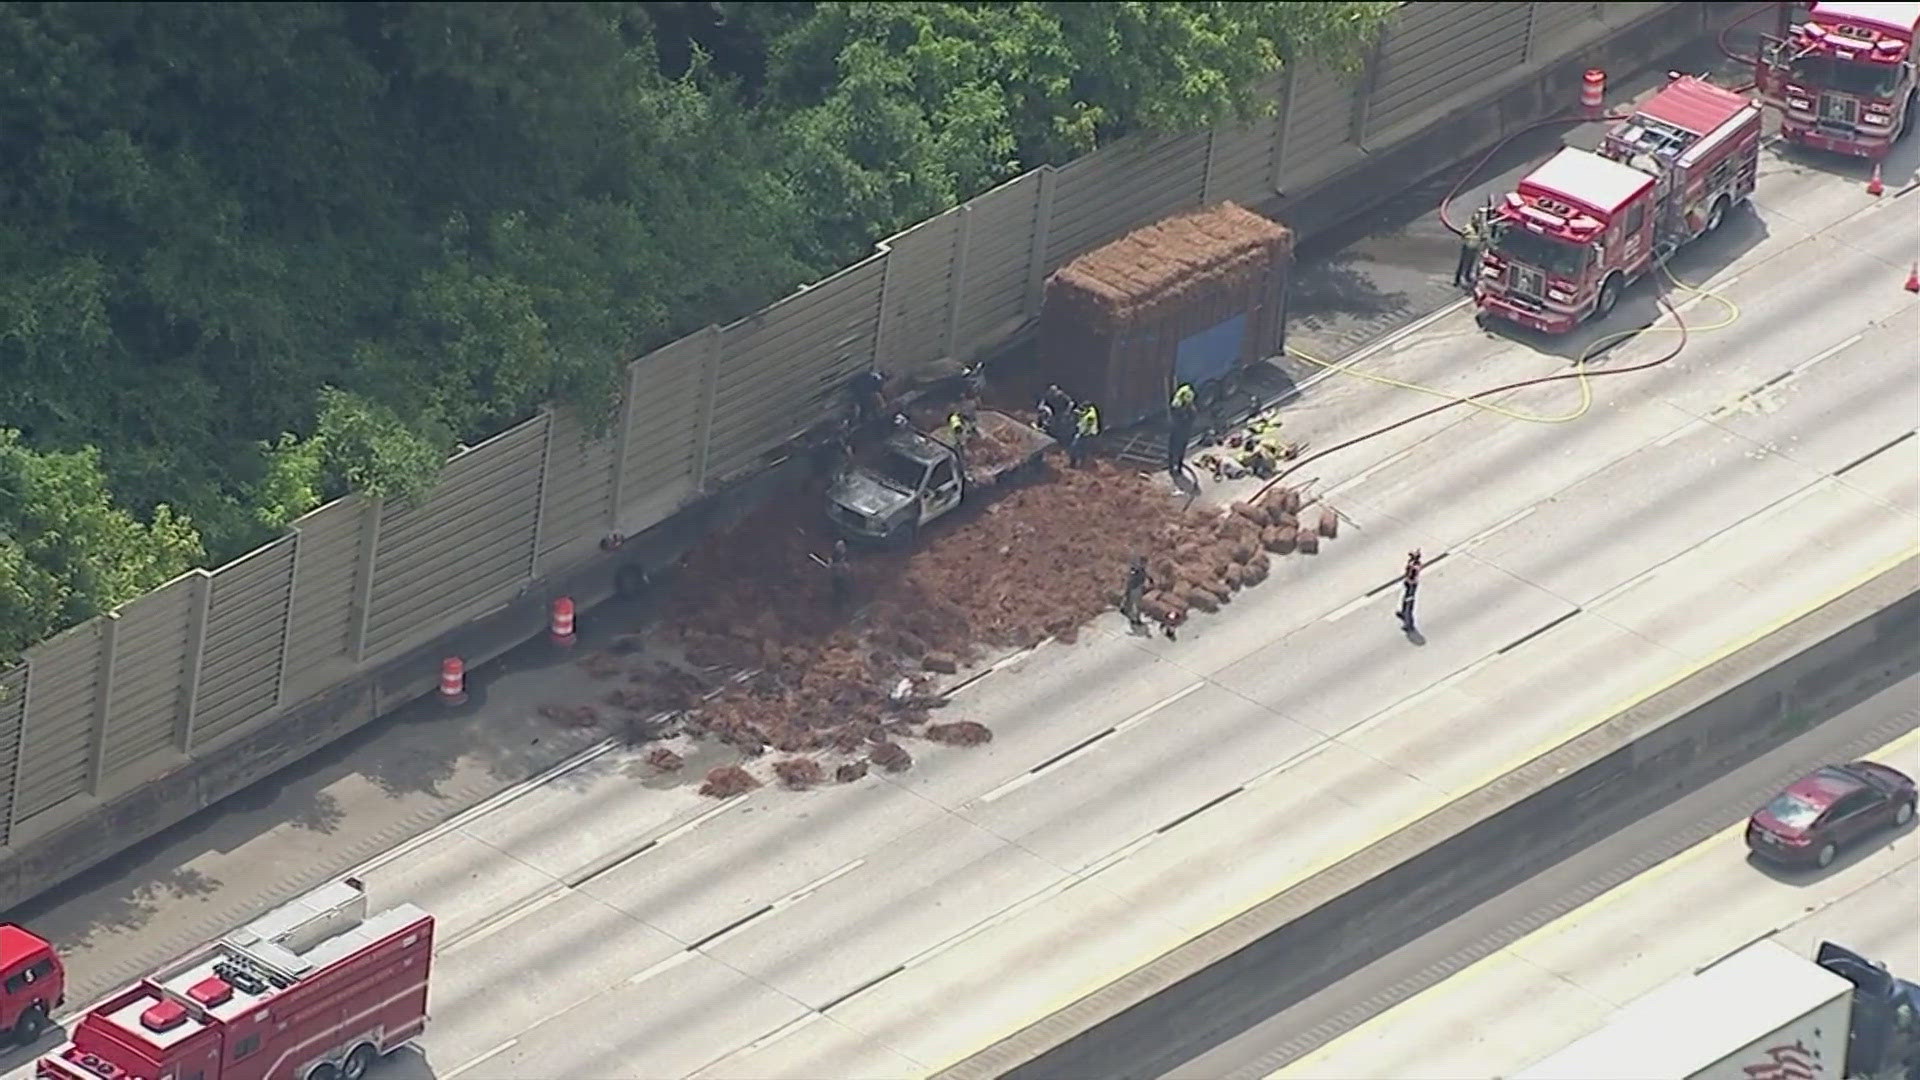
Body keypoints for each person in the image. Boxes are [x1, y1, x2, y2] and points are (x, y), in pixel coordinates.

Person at [1454, 202, 1492, 289]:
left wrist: (1484, 237)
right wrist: (1477, 236)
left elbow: (1486, 236)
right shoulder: (1468, 228)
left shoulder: (1483, 227)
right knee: (1465, 264)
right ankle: (1461, 280)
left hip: (1477, 248)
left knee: (1475, 264)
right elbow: (1465, 235)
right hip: (1468, 248)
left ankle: (1472, 278)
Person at [1167, 383, 1197, 477]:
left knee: (1172, 451)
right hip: (1183, 436)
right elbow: (1192, 415)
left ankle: (1171, 468)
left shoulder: (1176, 416)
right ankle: (1178, 468)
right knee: (1180, 452)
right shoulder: (1188, 416)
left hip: (1175, 435)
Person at [1121, 556, 1150, 631]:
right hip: (1134, 588)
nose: (1145, 565)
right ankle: (1133, 617)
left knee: (1135, 603)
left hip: (1138, 588)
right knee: (1134, 603)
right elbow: (1131, 577)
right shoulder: (1136, 570)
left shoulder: (1142, 570)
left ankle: (1133, 616)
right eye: (1144, 563)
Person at [1398, 549, 1423, 631]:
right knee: (1405, 601)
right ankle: (1403, 613)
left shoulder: (1415, 566)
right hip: (1410, 584)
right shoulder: (1414, 563)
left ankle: (1409, 625)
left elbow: (1411, 576)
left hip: (1411, 585)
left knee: (1409, 605)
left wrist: (1407, 581)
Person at [1070, 401, 1100, 466]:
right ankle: (1079, 464)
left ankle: (1074, 464)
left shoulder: (1090, 416)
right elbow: (1084, 414)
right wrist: (1079, 413)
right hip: (1084, 433)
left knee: (1076, 448)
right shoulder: (1090, 410)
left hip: (1086, 435)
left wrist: (1082, 434)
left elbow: (1088, 426)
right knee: (1081, 449)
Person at [829, 539, 853, 609]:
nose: (837, 547)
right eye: (837, 546)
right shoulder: (835, 553)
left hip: (845, 577)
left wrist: (845, 566)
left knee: (845, 590)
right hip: (836, 576)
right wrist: (831, 562)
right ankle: (836, 604)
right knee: (837, 590)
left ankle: (846, 604)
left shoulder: (847, 555)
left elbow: (849, 566)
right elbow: (831, 560)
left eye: (840, 546)